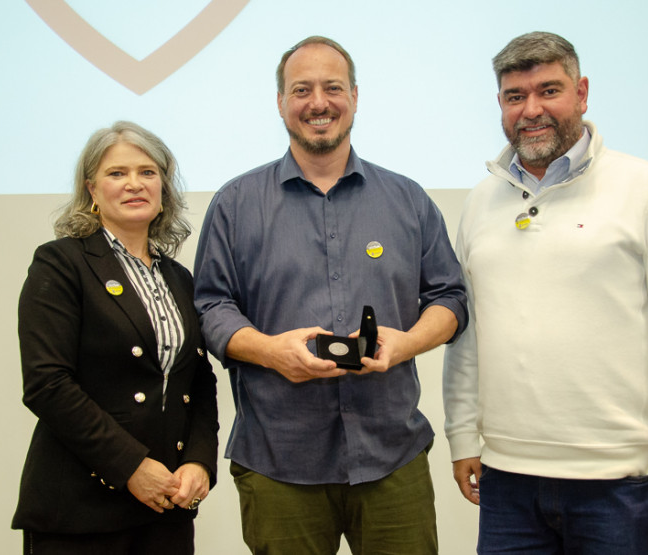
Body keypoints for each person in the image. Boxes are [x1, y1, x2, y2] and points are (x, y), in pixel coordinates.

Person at [443, 32, 648, 553]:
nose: (532, 109)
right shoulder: (482, 201)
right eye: (515, 96)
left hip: (618, 485)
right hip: (506, 482)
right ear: (501, 105)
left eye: (549, 90)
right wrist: (462, 435)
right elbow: (469, 332)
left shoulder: (646, 189)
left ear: (583, 93)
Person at [193, 36, 467, 554]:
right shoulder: (235, 203)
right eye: (302, 89)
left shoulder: (407, 199)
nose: (318, 102)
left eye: (332, 87)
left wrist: (405, 344)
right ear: (280, 102)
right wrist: (271, 352)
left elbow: (450, 297)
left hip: (392, 458)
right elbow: (210, 307)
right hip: (279, 462)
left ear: (356, 97)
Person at [12, 121, 219, 554]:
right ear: (91, 189)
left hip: (166, 510)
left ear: (164, 187)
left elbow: (197, 382)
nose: (134, 184)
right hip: (79, 513)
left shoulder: (178, 278)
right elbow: (46, 383)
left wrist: (199, 461)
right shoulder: (61, 264)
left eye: (147, 172)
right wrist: (130, 466)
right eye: (116, 173)